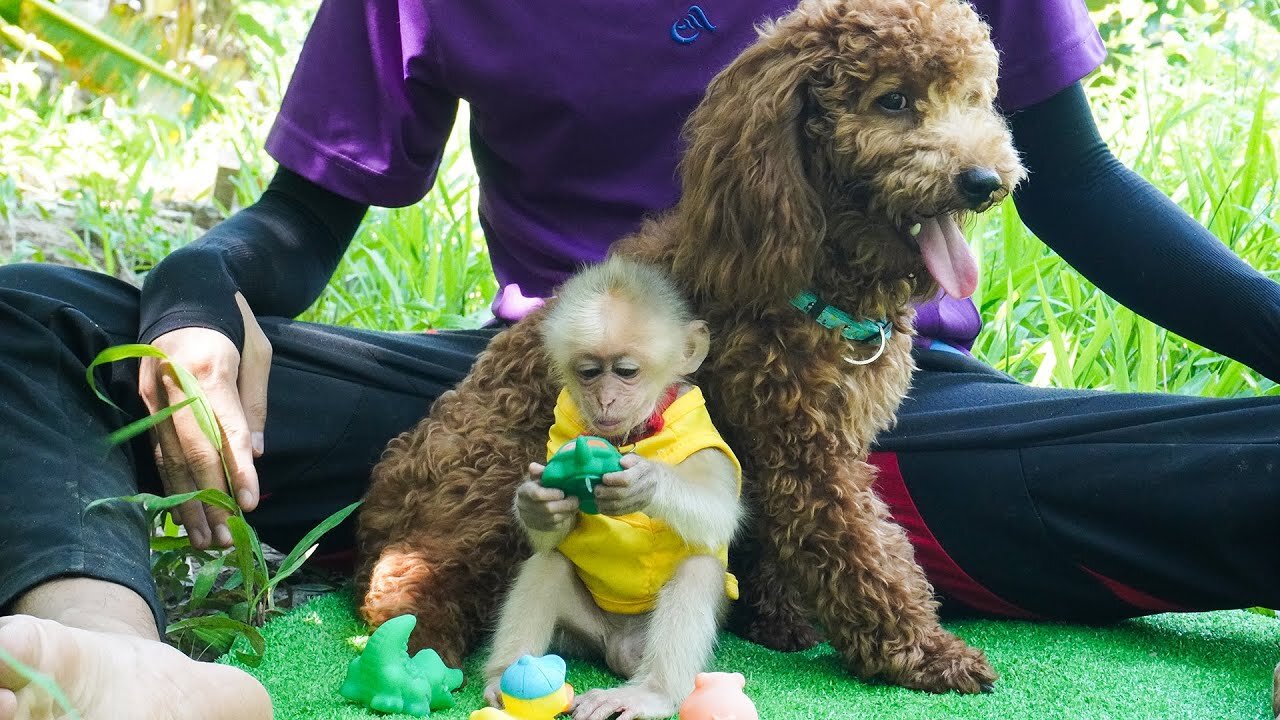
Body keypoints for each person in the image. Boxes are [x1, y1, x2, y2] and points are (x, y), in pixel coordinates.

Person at [1, 0, 1278, 717]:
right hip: (559, 377)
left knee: (1227, 458)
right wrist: (191, 310)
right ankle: (111, 657)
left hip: (877, 415)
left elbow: (1083, 192)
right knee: (40, 312)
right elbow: (297, 221)